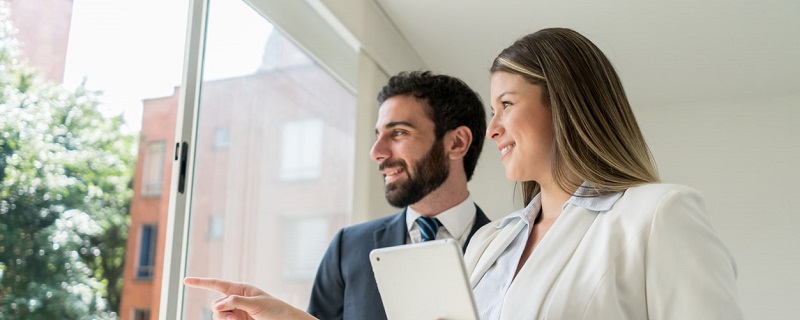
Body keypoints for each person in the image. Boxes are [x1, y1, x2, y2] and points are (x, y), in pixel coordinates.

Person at [185, 28, 743, 320]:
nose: (492, 128)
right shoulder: (493, 244)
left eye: (506, 105)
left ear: (566, 105)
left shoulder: (657, 216)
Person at [186, 70, 491, 320]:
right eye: (378, 136)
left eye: (398, 133)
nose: (377, 152)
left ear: (456, 143)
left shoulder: (509, 253)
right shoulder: (349, 247)